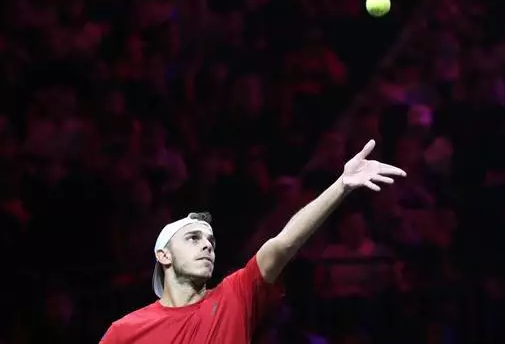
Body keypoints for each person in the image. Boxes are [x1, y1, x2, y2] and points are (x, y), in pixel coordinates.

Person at [99, 140, 406, 344]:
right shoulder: (125, 332)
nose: (207, 245)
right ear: (163, 255)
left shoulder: (234, 295)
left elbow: (282, 244)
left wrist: (341, 186)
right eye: (193, 238)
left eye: (211, 240)